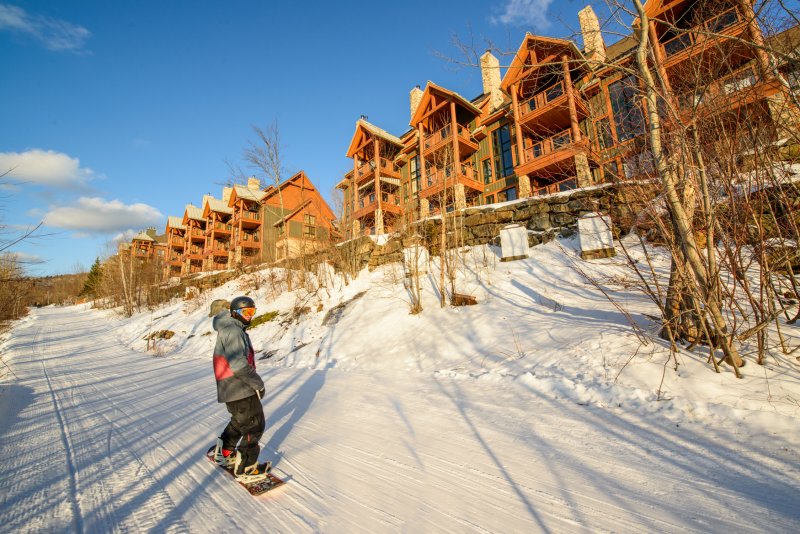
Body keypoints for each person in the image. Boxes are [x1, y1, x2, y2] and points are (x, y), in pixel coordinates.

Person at [210, 295, 270, 482]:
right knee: (254, 426)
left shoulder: (229, 328)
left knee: (239, 421)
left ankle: (224, 452)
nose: (250, 315)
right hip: (239, 387)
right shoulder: (234, 331)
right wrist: (258, 384)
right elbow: (239, 366)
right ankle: (246, 468)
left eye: (252, 311)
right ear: (235, 313)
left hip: (230, 387)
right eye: (246, 312)